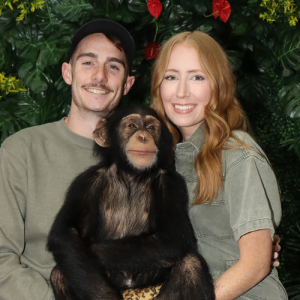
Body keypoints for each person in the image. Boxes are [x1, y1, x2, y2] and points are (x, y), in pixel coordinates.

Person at [0, 19, 135, 300]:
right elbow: (1, 259)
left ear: (127, 84)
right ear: (67, 72)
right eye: (88, 62)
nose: (100, 76)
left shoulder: (144, 159)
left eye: (113, 66)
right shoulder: (22, 151)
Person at [150, 31, 287, 300]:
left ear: (219, 85)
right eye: (171, 76)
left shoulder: (237, 153)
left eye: (197, 77)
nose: (181, 91)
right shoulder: (162, 161)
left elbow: (255, 264)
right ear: (158, 86)